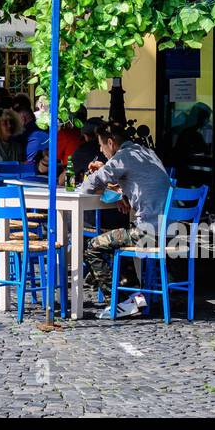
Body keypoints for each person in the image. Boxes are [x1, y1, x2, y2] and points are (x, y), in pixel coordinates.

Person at [80, 123, 175, 319]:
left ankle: (118, 303)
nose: (100, 150)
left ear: (110, 142)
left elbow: (89, 186)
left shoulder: (123, 157)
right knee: (118, 239)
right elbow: (141, 182)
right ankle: (134, 295)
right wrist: (123, 192)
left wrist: (101, 170)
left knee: (92, 246)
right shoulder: (146, 153)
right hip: (170, 230)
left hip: (147, 232)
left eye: (101, 145)